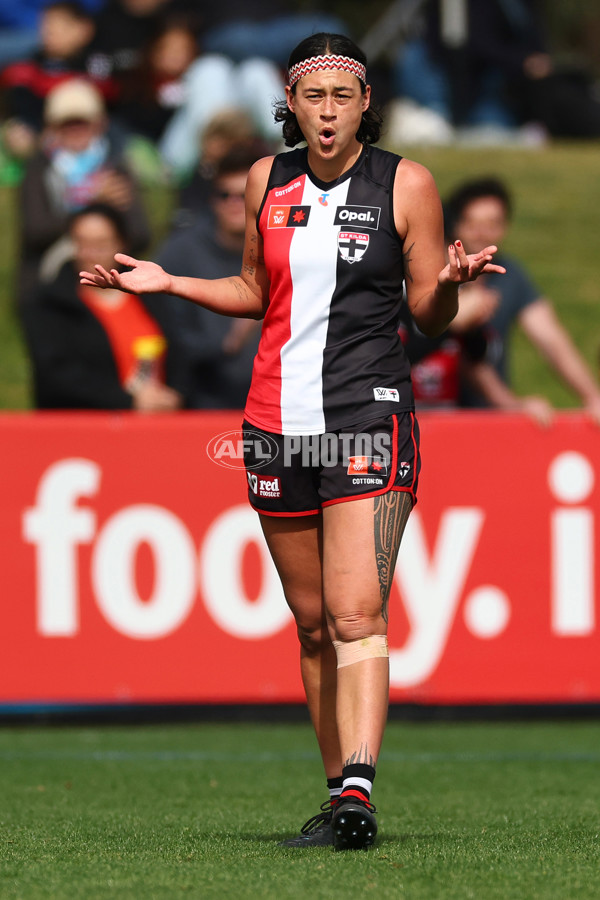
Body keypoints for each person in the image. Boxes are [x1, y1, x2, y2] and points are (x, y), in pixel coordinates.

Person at [80, 32, 504, 850]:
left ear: (366, 103)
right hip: (275, 423)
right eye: (314, 96)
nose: (328, 111)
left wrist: (447, 291)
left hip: (366, 419)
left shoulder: (405, 184)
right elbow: (254, 287)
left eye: (343, 96)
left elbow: (426, 314)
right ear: (293, 103)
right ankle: (339, 794)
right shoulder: (264, 180)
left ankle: (359, 788)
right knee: (311, 625)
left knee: (356, 614)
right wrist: (169, 282)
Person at [445, 177, 600, 426]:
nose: (482, 232)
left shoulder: (510, 275)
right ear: (455, 225)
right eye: (473, 223)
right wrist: (510, 403)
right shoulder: (430, 275)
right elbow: (458, 354)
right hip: (430, 414)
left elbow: (552, 340)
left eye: (492, 224)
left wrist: (593, 398)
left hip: (488, 420)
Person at [21, 202, 182, 410]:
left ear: (122, 244)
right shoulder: (50, 303)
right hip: (88, 425)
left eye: (101, 244)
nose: (90, 254)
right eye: (82, 244)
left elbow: (180, 350)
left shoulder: (151, 294)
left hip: (158, 418)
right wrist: (127, 402)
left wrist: (177, 393)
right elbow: (56, 374)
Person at [17, 77, 150, 307]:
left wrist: (115, 217)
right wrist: (93, 201)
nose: (75, 130)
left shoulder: (116, 165)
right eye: (67, 124)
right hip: (55, 273)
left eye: (82, 122)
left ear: (99, 124)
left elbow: (140, 234)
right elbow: (35, 232)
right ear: (52, 127)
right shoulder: (39, 167)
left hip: (110, 269)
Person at [151, 143, 263, 408]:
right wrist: (229, 340)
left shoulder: (290, 249)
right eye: (225, 195)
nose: (235, 204)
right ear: (212, 200)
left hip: (284, 404)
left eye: (245, 194)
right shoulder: (179, 254)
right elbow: (168, 337)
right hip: (204, 404)